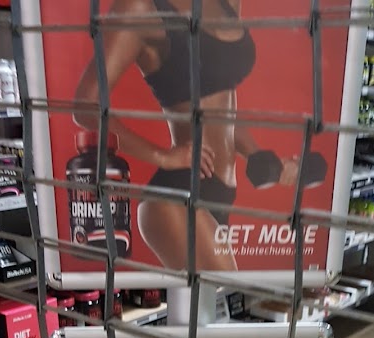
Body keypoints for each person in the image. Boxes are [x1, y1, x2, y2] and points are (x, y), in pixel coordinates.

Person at [75, 0, 302, 270]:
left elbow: (221, 104)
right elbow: (85, 108)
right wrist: (163, 156)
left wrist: (260, 157)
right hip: (177, 196)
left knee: (213, 296)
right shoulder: (139, 7)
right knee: (227, 291)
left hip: (221, 192)